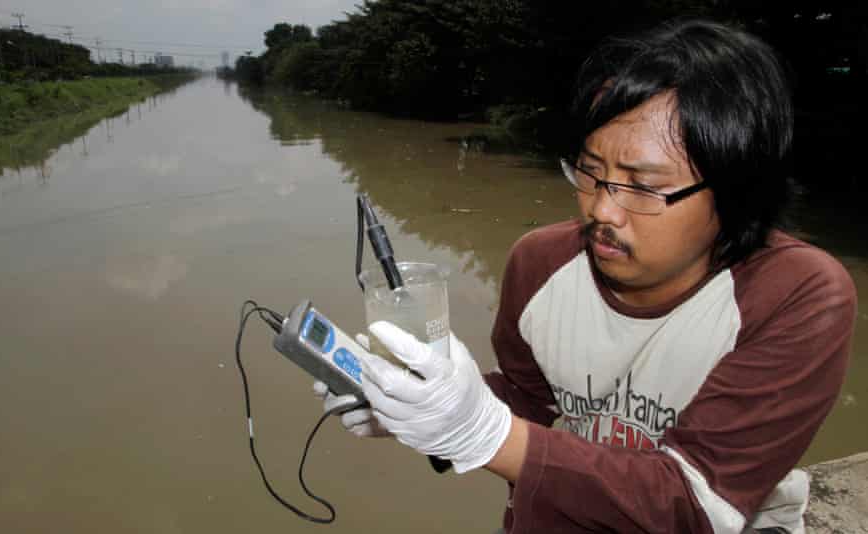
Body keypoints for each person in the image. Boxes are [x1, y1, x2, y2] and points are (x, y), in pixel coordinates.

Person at [314, 19, 856, 533]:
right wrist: (419, 408)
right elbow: (529, 398)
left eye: (642, 186)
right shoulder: (540, 263)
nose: (602, 210)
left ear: (738, 191)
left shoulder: (798, 296)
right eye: (591, 172)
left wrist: (484, 433)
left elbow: (695, 507)